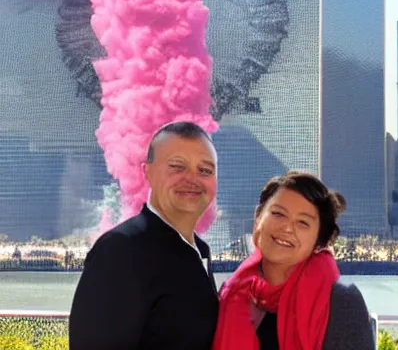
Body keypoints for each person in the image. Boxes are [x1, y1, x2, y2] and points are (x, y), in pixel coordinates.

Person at [69, 121, 219, 349]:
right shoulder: (121, 250)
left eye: (205, 170)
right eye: (177, 166)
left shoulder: (199, 251)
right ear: (147, 172)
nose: (192, 179)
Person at [213, 171, 375, 350]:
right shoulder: (231, 294)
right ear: (258, 217)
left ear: (319, 242)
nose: (287, 228)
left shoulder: (341, 302)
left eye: (303, 223)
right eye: (278, 214)